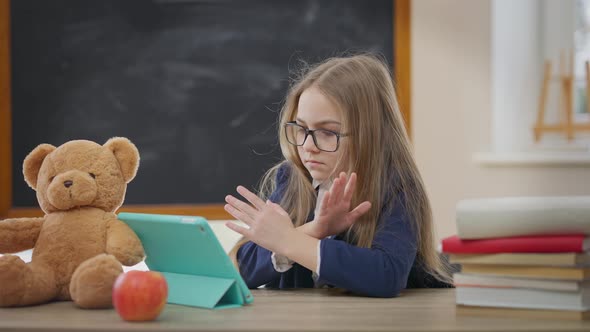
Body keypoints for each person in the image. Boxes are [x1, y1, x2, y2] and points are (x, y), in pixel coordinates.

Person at [224, 53, 452, 298]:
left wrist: (289, 240)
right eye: (301, 128)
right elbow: (243, 271)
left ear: (370, 135)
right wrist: (314, 230)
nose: (308, 146)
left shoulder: (397, 187)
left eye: (328, 132)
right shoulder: (292, 179)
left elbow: (387, 275)